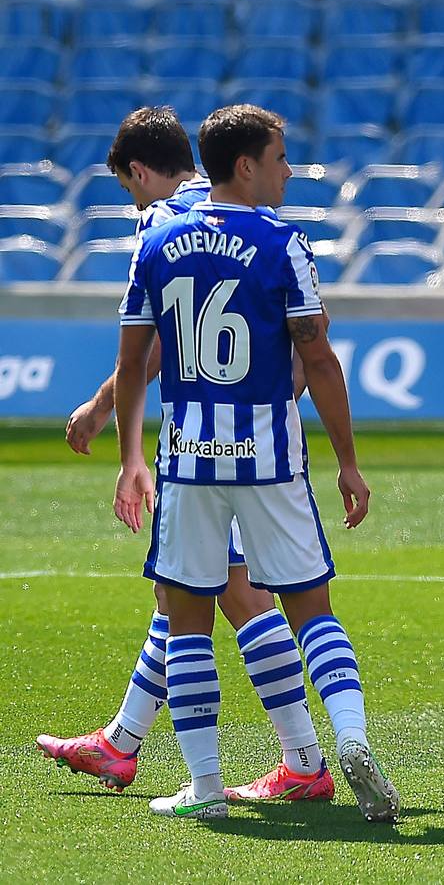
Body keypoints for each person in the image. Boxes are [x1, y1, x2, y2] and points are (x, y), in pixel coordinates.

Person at [39, 106, 333, 805]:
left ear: (138, 174)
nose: (131, 201)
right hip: (255, 439)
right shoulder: (235, 212)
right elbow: (310, 335)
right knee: (185, 592)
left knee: (225, 591)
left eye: (126, 188)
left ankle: (304, 760)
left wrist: (102, 407)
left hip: (206, 448)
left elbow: (158, 343)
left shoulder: (162, 226)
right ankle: (123, 740)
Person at [111, 104, 398, 822]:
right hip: (269, 458)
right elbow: (319, 357)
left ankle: (205, 789)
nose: (288, 169)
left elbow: (131, 359)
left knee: (186, 621)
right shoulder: (284, 243)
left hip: (187, 460)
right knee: (311, 611)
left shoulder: (156, 236)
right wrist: (349, 463)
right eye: (280, 156)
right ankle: (352, 739)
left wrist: (128, 460)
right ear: (246, 165)